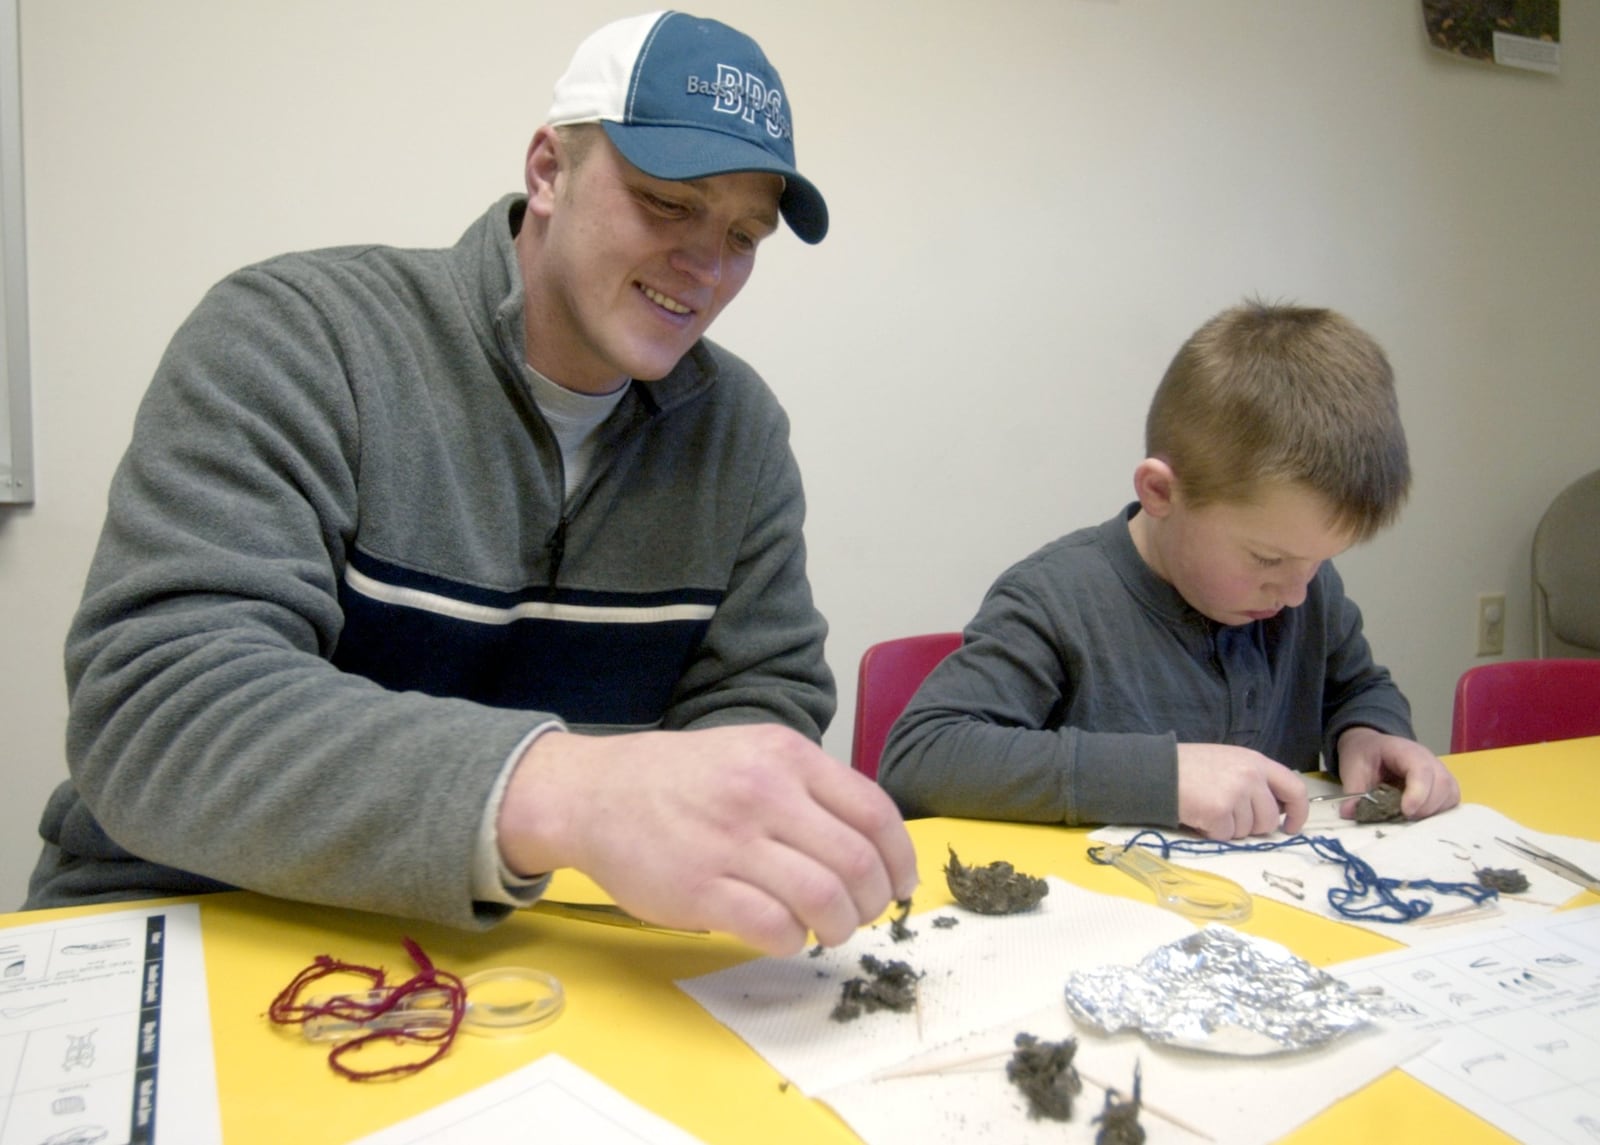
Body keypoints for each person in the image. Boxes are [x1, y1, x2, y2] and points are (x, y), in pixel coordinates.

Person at [26, 11, 916, 956]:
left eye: (745, 233)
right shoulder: (298, 336)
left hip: (528, 952)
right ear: (547, 171)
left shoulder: (737, 429)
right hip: (196, 923)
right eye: (668, 203)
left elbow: (760, 696)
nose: (707, 267)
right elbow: (159, 713)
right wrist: (578, 795)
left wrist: (728, 834)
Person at [878, 300, 1460, 841]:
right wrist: (1165, 777)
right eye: (1267, 559)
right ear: (1160, 492)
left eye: (1321, 560)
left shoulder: (1306, 590)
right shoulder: (1058, 599)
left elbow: (1357, 686)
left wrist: (1370, 733)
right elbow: (923, 756)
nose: (1295, 592)